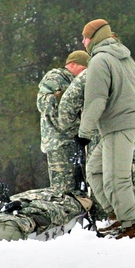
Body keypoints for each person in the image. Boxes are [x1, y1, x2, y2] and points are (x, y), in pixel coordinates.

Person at [57, 60, 135, 236]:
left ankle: (130, 229)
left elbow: (66, 109)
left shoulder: (91, 74)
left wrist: (80, 132)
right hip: (125, 137)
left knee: (117, 182)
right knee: (124, 183)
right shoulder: (128, 72)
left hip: (110, 137)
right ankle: (126, 226)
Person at [78, 18, 135, 239]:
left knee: (117, 178)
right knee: (95, 170)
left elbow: (96, 100)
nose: (83, 41)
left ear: (95, 37)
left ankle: (130, 225)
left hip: (120, 125)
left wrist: (84, 133)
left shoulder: (100, 60)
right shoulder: (125, 58)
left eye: (86, 37)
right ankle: (117, 215)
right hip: (129, 124)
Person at [0, 189, 92, 243]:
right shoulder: (68, 202)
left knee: (24, 206)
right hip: (30, 208)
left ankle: (2, 211)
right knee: (25, 207)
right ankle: (2, 211)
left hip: (30, 206)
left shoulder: (68, 201)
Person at [36, 51, 89, 191]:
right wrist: (63, 99)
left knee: (79, 188)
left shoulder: (76, 81)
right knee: (63, 189)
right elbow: (44, 104)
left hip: (74, 140)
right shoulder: (56, 78)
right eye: (83, 69)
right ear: (72, 65)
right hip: (59, 142)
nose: (85, 73)